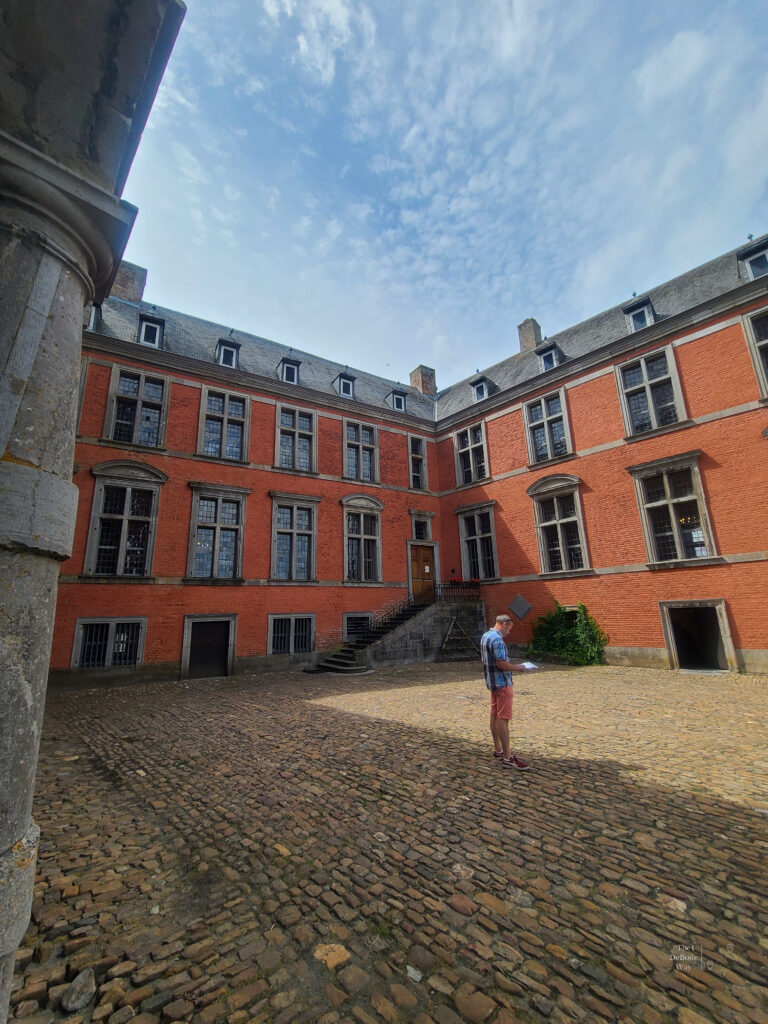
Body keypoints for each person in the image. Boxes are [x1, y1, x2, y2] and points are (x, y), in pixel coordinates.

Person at [480, 614, 534, 770]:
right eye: (509, 628)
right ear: (504, 624)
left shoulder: (486, 636)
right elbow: (502, 664)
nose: (509, 632)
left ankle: (498, 749)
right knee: (503, 718)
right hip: (502, 683)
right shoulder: (497, 639)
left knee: (494, 714)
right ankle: (507, 757)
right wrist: (520, 667)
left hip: (492, 682)